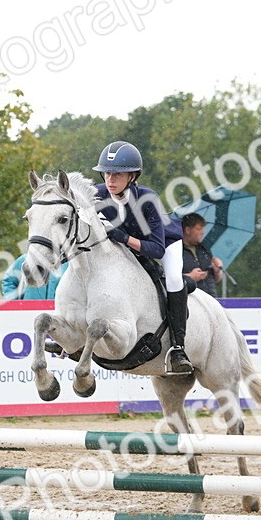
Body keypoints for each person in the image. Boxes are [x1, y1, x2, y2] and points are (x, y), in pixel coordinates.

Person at [93, 140, 192, 375]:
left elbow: (156, 249)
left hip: (165, 243)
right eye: (107, 173)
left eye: (117, 174)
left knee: (174, 280)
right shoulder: (97, 195)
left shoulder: (147, 199)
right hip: (129, 246)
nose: (110, 180)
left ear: (133, 176)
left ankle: (178, 348)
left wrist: (123, 237)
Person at [179, 213, 223, 298]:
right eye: (198, 229)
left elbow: (216, 279)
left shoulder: (205, 249)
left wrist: (217, 269)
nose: (202, 232)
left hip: (211, 300)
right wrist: (190, 277)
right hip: (191, 301)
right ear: (187, 230)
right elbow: (169, 278)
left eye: (203, 229)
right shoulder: (176, 250)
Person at [2, 254, 67, 300]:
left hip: (56, 313)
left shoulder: (67, 264)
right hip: (27, 311)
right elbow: (9, 280)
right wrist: (14, 304)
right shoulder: (26, 259)